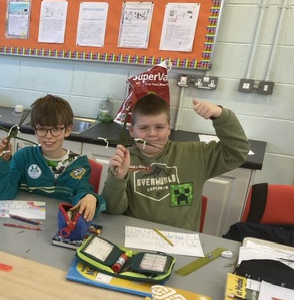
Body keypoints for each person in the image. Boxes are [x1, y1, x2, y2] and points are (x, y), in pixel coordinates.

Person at [102, 93, 250, 231]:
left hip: (181, 238)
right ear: (131, 131)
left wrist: (220, 115)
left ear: (169, 128)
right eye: (144, 128)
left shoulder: (194, 155)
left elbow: (238, 152)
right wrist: (118, 178)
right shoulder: (125, 160)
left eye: (159, 127)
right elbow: (112, 209)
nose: (152, 134)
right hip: (135, 234)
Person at [0, 94, 105, 221]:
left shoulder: (79, 164)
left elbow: (83, 192)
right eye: (42, 129)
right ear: (35, 130)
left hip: (57, 224)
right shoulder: (23, 157)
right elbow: (0, 193)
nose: (48, 136)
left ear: (67, 130)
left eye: (56, 129)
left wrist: (89, 197)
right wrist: (3, 161)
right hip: (26, 223)